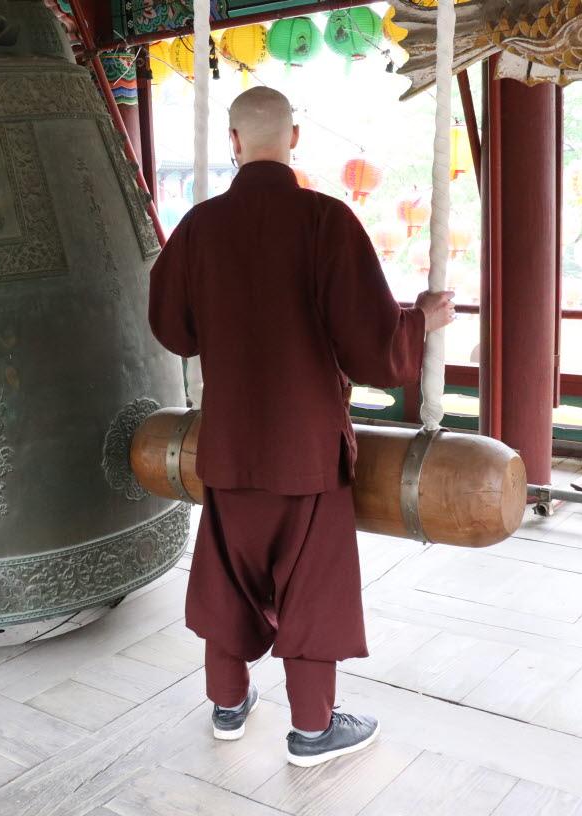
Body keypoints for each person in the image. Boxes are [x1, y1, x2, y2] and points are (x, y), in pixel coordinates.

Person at [148, 86, 455, 768]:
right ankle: (313, 730)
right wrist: (421, 319)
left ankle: (228, 705)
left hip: (227, 446)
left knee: (227, 576)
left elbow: (172, 328)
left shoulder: (199, 228)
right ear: (293, 140)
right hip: (306, 450)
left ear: (233, 142)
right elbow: (372, 350)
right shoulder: (325, 222)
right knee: (311, 589)